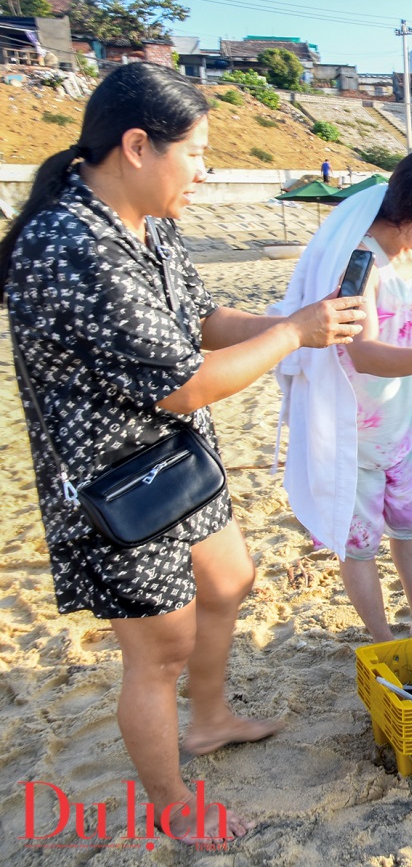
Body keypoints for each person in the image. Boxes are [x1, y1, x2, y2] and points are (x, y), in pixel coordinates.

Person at [2, 63, 363, 843]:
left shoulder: (146, 218)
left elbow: (200, 317)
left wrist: (296, 318)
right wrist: (292, 336)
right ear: (137, 145)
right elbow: (187, 385)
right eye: (195, 153)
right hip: (114, 483)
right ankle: (172, 804)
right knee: (158, 651)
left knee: (231, 578)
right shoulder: (72, 242)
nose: (203, 170)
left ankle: (210, 720)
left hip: (173, 458)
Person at [275, 148, 412, 643]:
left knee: (411, 527)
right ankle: (384, 637)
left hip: (400, 424)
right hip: (353, 431)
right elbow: (360, 354)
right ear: (407, 207)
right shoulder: (363, 263)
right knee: (360, 543)